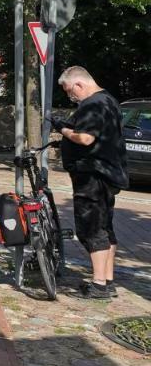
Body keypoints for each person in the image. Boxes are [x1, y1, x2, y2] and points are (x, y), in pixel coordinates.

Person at [52, 66, 129, 299]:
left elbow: (85, 138)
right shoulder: (109, 100)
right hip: (107, 173)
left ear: (79, 84)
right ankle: (107, 279)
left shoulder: (93, 104)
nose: (70, 96)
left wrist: (62, 129)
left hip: (92, 175)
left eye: (69, 91)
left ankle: (98, 286)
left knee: (92, 227)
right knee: (106, 227)